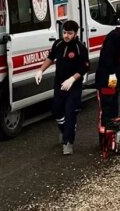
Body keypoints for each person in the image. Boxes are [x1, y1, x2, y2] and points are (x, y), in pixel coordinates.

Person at [35, 20, 89, 155]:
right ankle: (64, 130)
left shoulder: (80, 48)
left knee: (70, 112)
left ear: (76, 34)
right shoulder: (58, 44)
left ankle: (68, 142)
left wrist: (72, 79)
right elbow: (50, 57)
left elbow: (85, 67)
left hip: (73, 85)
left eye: (69, 33)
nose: (66, 36)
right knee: (57, 111)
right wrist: (41, 70)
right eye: (64, 32)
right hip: (59, 83)